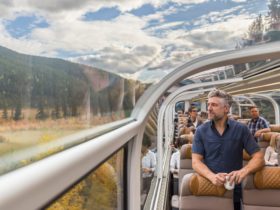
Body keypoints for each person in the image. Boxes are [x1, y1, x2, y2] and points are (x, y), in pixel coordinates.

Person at [192, 89, 264, 210]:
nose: (209, 108)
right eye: (208, 104)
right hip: (209, 187)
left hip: (234, 189)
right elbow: (195, 161)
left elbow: (259, 157)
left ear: (226, 108)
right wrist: (212, 177)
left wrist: (243, 171)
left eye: (214, 105)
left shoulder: (241, 129)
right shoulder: (201, 131)